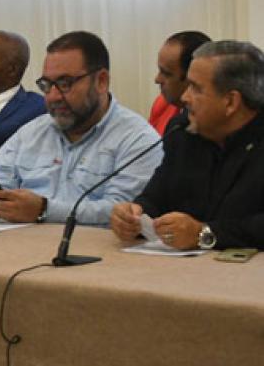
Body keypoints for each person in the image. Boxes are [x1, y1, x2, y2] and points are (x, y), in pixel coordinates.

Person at [0, 31, 161, 225]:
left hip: (94, 250)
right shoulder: (30, 133)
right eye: (46, 85)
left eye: (65, 83)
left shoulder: (139, 140)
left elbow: (122, 212)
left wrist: (45, 210)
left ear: (101, 81)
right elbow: (1, 184)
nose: (53, 96)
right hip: (14, 245)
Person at [112, 40, 264, 250]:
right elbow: (156, 197)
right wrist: (133, 214)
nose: (185, 97)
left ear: (230, 102)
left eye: (196, 88)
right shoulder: (182, 131)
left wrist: (205, 233)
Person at [148, 31, 211, 134]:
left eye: (166, 73)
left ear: (192, 78)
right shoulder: (162, 104)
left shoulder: (213, 123)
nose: (157, 79)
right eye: (159, 70)